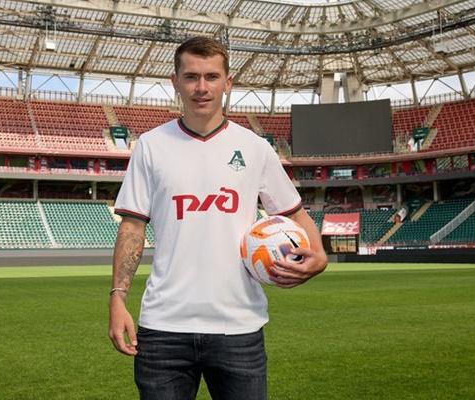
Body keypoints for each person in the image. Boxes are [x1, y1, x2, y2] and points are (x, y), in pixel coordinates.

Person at [108, 36, 327, 400]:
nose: (202, 87)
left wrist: (319, 257)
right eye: (191, 76)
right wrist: (118, 298)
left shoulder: (255, 148)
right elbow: (132, 227)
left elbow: (294, 214)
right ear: (175, 82)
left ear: (228, 83)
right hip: (164, 328)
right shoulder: (151, 145)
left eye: (211, 76)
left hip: (239, 326)